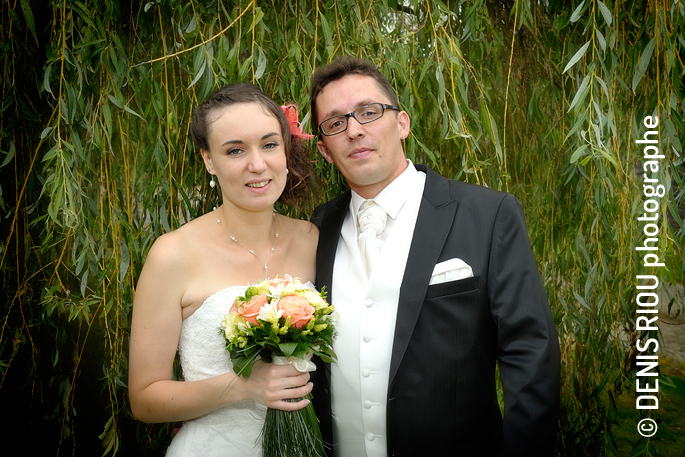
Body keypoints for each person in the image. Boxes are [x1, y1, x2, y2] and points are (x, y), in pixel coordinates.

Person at [309, 56, 560, 457]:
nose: (354, 130)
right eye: (336, 123)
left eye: (369, 112)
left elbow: (529, 351)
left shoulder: (487, 214)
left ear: (402, 123)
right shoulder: (315, 229)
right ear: (324, 149)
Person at [128, 83, 318, 456]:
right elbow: (145, 400)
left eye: (269, 145)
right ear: (208, 160)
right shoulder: (173, 255)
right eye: (235, 150)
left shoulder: (311, 238)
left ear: (285, 149)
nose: (257, 164)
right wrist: (244, 386)